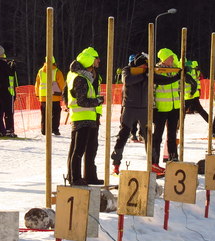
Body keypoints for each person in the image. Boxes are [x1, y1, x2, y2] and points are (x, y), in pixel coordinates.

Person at [65, 49, 104, 185]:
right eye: (95, 59)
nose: (97, 61)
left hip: (86, 116)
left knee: (81, 148)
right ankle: (75, 178)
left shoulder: (82, 77)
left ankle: (77, 177)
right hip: (83, 117)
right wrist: (97, 101)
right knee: (78, 149)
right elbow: (82, 101)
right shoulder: (81, 79)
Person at [110, 52, 150, 175]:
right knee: (123, 135)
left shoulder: (147, 72)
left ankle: (152, 163)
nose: (145, 67)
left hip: (144, 108)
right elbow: (127, 80)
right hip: (129, 108)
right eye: (144, 65)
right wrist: (144, 75)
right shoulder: (127, 70)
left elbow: (162, 80)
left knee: (149, 137)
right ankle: (116, 164)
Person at [152, 48, 182, 172]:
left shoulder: (175, 70)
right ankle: (154, 162)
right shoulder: (157, 70)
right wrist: (153, 107)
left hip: (174, 107)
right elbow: (152, 91)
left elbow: (179, 88)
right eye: (170, 57)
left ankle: (173, 158)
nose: (173, 59)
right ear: (164, 58)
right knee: (157, 136)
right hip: (161, 109)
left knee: (172, 135)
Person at [0, 44, 18, 137]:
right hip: (5, 90)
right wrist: (12, 68)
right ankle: (9, 129)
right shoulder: (3, 64)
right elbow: (9, 75)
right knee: (8, 110)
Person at [35, 56, 66, 136]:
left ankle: (44, 130)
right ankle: (54, 129)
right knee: (56, 113)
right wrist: (63, 94)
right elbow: (62, 84)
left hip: (43, 97)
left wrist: (37, 94)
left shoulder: (41, 71)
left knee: (44, 114)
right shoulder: (57, 71)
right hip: (54, 96)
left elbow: (37, 84)